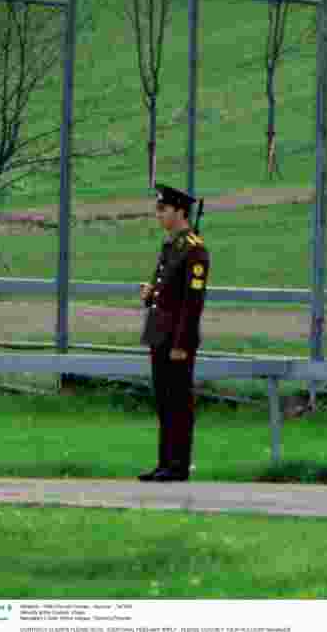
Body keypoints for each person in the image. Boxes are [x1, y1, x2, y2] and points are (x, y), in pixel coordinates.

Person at [138, 183, 209, 482]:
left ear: (180, 211)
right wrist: (150, 295)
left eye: (163, 209)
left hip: (177, 340)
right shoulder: (171, 246)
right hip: (160, 334)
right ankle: (165, 462)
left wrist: (181, 343)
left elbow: (192, 304)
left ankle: (178, 465)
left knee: (178, 402)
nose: (159, 214)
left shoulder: (194, 250)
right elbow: (168, 294)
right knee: (164, 401)